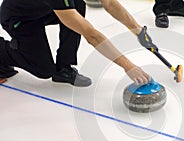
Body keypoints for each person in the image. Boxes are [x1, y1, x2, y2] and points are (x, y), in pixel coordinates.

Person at [0, 0, 158, 86]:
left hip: (44, 9)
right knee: (43, 70)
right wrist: (128, 66)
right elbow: (92, 35)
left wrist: (138, 30)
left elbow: (109, 3)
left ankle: (64, 68)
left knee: (78, 3)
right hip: (20, 18)